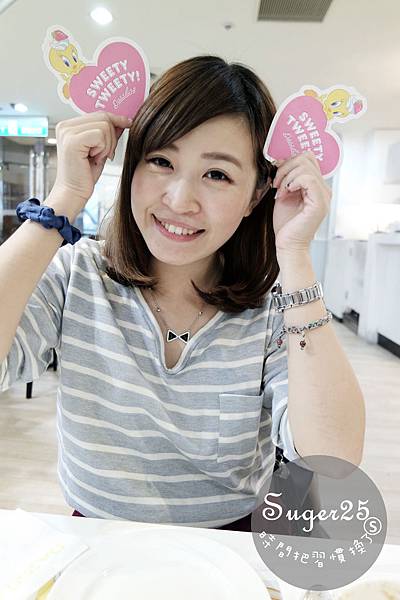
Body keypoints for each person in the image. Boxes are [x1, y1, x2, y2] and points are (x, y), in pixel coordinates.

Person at [0, 55, 365, 529]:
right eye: (161, 161)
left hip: (230, 546)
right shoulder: (79, 274)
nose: (179, 200)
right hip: (95, 539)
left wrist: (294, 255)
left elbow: (333, 459)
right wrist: (63, 198)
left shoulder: (275, 311)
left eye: (217, 174)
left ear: (256, 195)